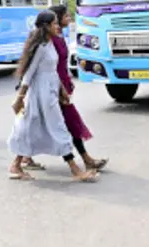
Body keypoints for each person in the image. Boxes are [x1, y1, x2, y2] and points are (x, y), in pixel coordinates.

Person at [7, 10, 99, 182]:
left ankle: (16, 165)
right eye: (55, 23)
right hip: (39, 94)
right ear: (46, 26)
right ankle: (75, 170)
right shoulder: (41, 47)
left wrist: (61, 90)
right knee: (57, 128)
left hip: (50, 92)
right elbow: (29, 73)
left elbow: (53, 72)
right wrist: (20, 97)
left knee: (31, 129)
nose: (58, 26)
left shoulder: (50, 44)